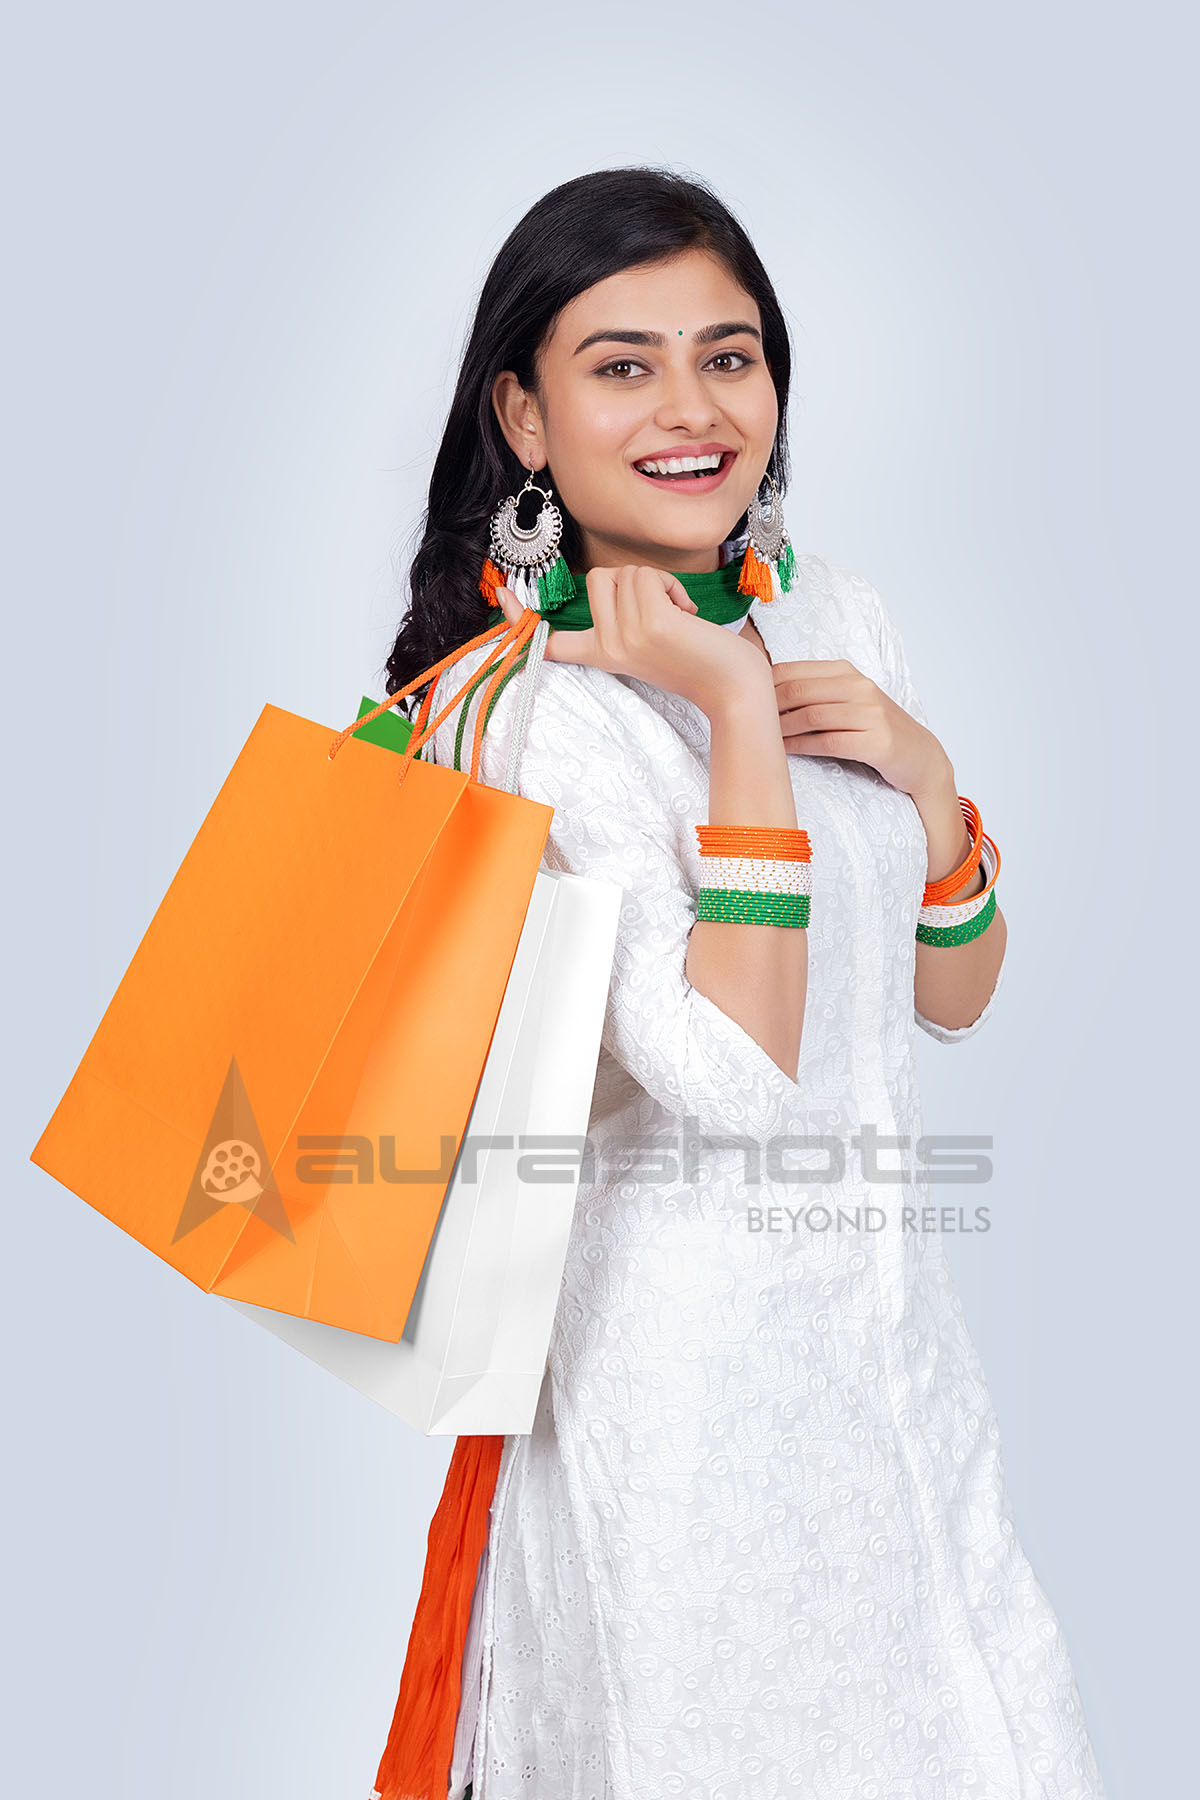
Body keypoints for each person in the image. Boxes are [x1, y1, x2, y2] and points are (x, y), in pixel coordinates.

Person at [369, 167, 1107, 1800]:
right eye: (621, 365)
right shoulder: (535, 715)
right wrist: (738, 711)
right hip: (677, 1408)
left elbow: (953, 1001)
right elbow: (733, 1076)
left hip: (894, 1366)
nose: (692, 410)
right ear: (524, 415)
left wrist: (928, 790)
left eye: (730, 355)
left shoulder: (838, 613)